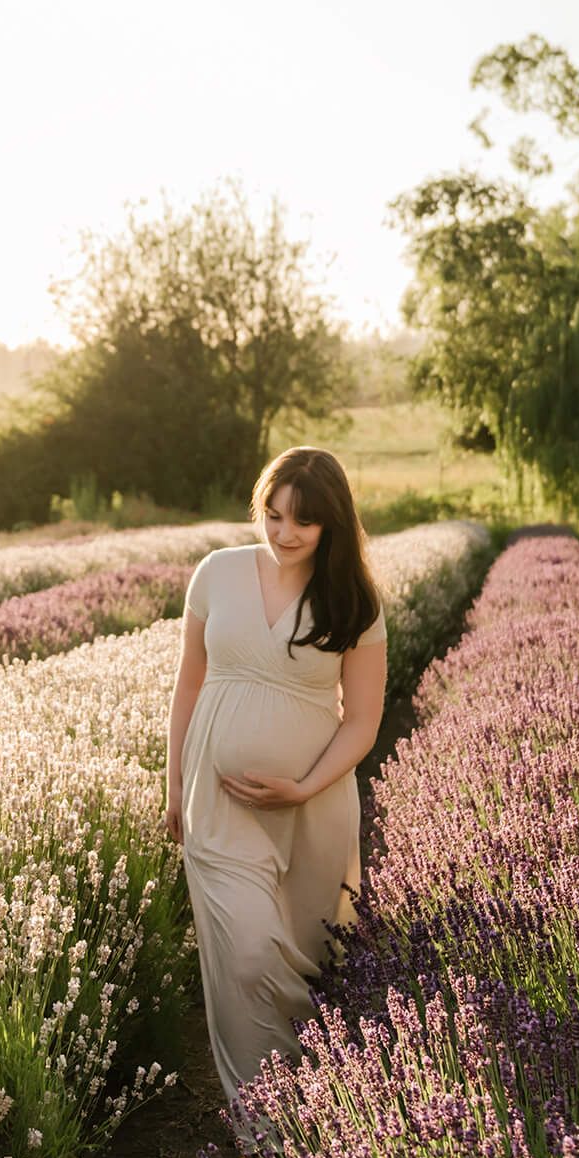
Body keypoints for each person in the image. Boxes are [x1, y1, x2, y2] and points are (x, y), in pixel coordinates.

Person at [164, 444, 388, 1105]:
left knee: (310, 960)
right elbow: (187, 683)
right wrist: (173, 782)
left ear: (333, 526)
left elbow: (363, 721)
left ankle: (321, 1098)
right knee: (249, 954)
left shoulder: (354, 600)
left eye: (303, 521)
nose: (284, 532)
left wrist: (302, 786)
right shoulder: (216, 573)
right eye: (273, 514)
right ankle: (262, 1115)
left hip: (313, 808)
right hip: (220, 800)